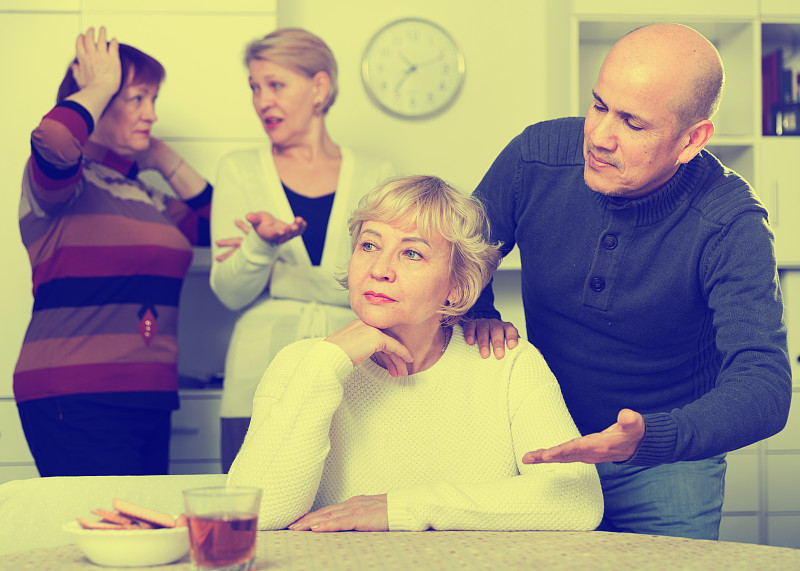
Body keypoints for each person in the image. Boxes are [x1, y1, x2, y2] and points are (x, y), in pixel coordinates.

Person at [464, 23, 792, 540]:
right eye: (599, 106)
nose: (598, 137)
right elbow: (460, 248)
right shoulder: (537, 156)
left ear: (692, 140)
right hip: (543, 443)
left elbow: (766, 388)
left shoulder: (730, 221)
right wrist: (477, 308)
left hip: (666, 462)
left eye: (633, 124)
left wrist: (650, 439)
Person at [227, 175, 603, 532]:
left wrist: (402, 508)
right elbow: (255, 514)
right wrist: (327, 362)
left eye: (411, 253)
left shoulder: (508, 363)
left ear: (456, 287)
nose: (379, 269)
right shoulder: (303, 363)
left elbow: (577, 499)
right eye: (369, 245)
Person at [14, 27, 214, 476]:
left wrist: (161, 156)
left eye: (154, 100)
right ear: (101, 104)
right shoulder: (64, 186)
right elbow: (53, 141)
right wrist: (100, 85)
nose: (152, 113)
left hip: (150, 393)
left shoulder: (144, 195)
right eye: (138, 98)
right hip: (78, 393)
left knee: (141, 539)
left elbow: (216, 227)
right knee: (106, 538)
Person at [210, 28, 395, 473]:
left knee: (345, 515)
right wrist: (261, 244)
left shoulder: (376, 174)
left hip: (355, 378)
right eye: (254, 88)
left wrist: (280, 277)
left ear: (318, 87)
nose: (261, 100)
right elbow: (229, 293)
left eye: (275, 85)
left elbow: (385, 284)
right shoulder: (238, 170)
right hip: (255, 379)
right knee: (250, 513)